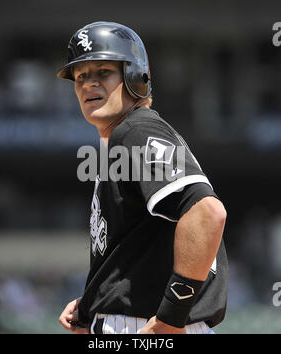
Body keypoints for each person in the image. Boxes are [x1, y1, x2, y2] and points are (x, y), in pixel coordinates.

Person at [57, 21, 228, 334]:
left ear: (136, 77)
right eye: (80, 76)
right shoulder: (121, 140)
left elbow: (206, 213)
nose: (88, 84)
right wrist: (94, 301)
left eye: (103, 72)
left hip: (148, 326)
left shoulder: (137, 131)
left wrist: (171, 316)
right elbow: (140, 250)